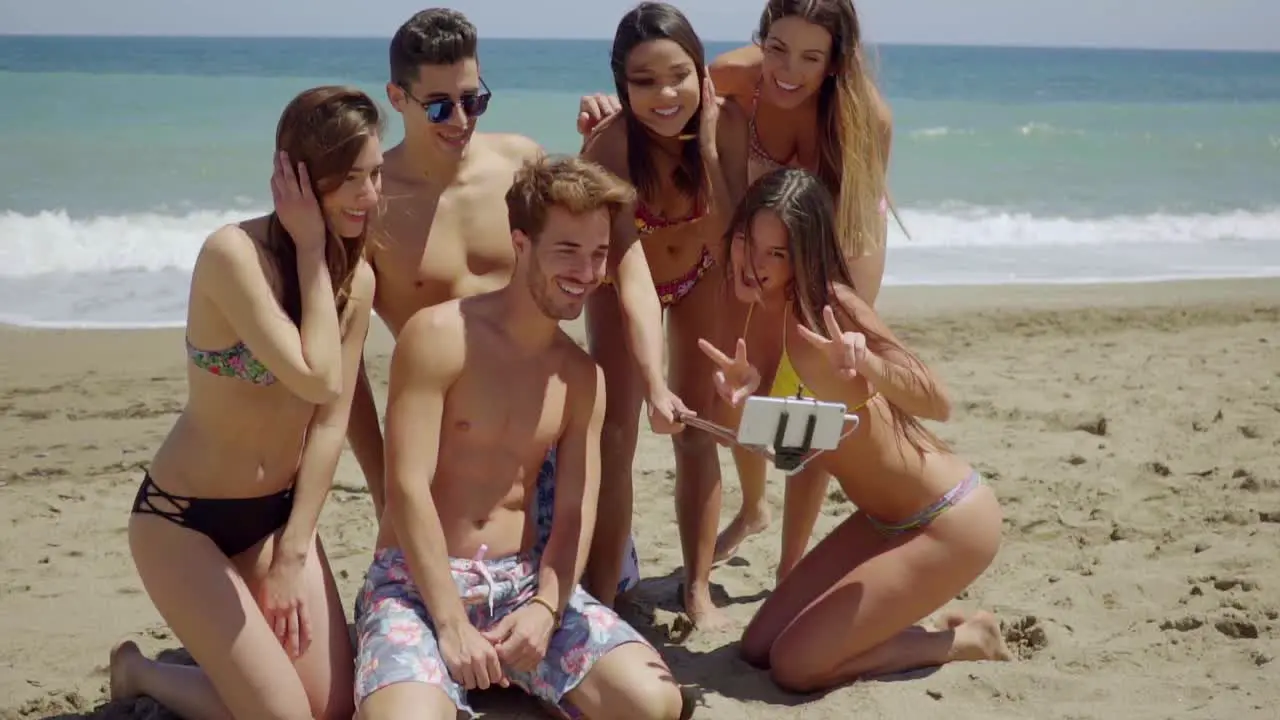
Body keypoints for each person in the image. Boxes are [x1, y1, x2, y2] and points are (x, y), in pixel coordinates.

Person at [354, 155, 687, 720]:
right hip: (416, 583)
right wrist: (451, 623)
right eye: (568, 251)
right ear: (521, 243)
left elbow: (576, 510)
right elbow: (406, 488)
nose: (587, 271)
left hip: (522, 584)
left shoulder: (582, 377)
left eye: (599, 253)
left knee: (653, 703)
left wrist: (547, 609)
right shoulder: (439, 336)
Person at [346, 6, 663, 596]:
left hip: (545, 427)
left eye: (474, 99)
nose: (459, 119)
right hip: (447, 445)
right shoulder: (374, 204)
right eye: (439, 104)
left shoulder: (520, 164)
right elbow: (347, 364)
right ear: (397, 97)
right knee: (445, 618)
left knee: (590, 606)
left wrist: (607, 135)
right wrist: (382, 477)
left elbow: (600, 240)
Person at [579, 0, 896, 583]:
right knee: (736, 392)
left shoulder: (864, 116)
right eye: (776, 48)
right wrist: (610, 106)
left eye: (810, 57)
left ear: (837, 60)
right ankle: (753, 508)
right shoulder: (724, 78)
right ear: (761, 39)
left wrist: (850, 318)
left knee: (810, 402)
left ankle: (789, 570)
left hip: (831, 238)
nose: (788, 71)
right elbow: (660, 94)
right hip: (747, 236)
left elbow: (859, 224)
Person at [106, 86, 382, 719]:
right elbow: (317, 379)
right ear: (301, 180)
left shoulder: (356, 280)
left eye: (376, 176)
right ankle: (141, 672)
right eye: (352, 179)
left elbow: (331, 421)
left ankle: (234, 662)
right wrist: (311, 247)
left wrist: (293, 548)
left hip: (274, 520)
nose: (370, 196)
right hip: (182, 522)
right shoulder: (233, 255)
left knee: (334, 710)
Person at [698, 167, 1010, 692]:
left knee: (796, 667)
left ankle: (964, 640)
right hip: (880, 521)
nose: (755, 265)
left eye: (776, 254)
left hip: (948, 519)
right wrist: (738, 402)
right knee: (757, 650)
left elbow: (938, 401)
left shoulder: (831, 310)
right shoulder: (753, 315)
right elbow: (780, 450)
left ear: (804, 256)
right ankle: (890, 616)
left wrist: (869, 366)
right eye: (750, 243)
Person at [577, 1, 750, 626]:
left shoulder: (727, 126)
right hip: (623, 284)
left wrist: (705, 149)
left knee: (697, 429)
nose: (664, 94)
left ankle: (697, 587)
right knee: (616, 434)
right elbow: (629, 273)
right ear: (622, 84)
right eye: (643, 81)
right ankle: (600, 594)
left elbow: (733, 236)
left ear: (701, 71)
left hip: (702, 274)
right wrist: (653, 383)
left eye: (678, 75)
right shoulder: (610, 145)